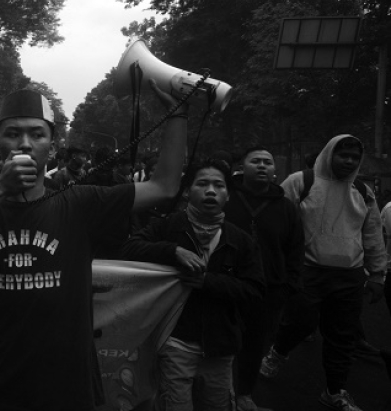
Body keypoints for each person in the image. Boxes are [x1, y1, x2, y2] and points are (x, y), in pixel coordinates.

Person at [0, 83, 188, 411]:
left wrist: (177, 116)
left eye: (37, 134)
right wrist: (0, 189)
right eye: (12, 134)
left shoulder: (78, 202)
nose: (24, 143)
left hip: (69, 385)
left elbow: (164, 187)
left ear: (53, 145)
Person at [121, 158, 264, 410]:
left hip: (221, 347)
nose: (211, 191)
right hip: (175, 341)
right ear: (187, 191)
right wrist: (172, 251)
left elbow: (254, 291)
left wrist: (207, 281)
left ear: (227, 195)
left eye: (219, 186)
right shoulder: (168, 226)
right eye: (203, 184)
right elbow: (129, 248)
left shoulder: (240, 240)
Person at [260, 135, 386, 411]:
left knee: (342, 336)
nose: (349, 161)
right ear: (330, 154)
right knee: (299, 323)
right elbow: (276, 223)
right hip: (307, 271)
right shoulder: (301, 182)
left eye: (354, 156)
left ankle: (334, 391)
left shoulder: (363, 192)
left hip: (350, 276)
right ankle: (278, 352)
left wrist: (378, 274)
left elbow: (373, 234)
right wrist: (277, 267)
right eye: (344, 155)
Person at [222, 147, 304, 411]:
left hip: (268, 291)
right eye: (255, 161)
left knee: (254, 346)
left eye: (267, 162)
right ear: (241, 167)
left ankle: (244, 395)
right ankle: (217, 396)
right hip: (224, 286)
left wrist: (289, 285)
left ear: (274, 171)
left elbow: (295, 248)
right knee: (218, 342)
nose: (262, 166)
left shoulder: (286, 208)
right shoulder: (225, 197)